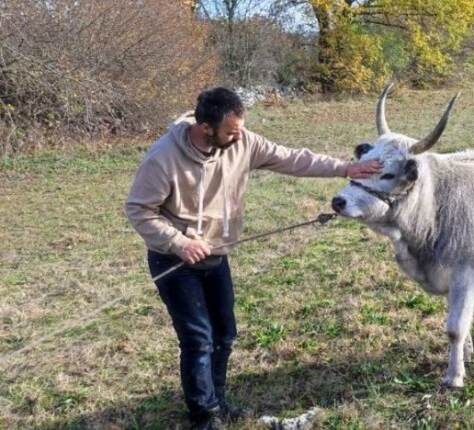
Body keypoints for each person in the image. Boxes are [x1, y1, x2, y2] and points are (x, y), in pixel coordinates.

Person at [125, 86, 381, 430]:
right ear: (205, 128)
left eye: (240, 128)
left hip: (217, 254)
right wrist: (179, 242)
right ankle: (204, 417)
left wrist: (346, 168)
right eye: (231, 131)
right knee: (198, 338)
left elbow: (293, 158)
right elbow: (140, 210)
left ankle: (216, 401)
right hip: (174, 261)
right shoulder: (163, 158)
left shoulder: (242, 142)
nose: (239, 136)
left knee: (225, 334)